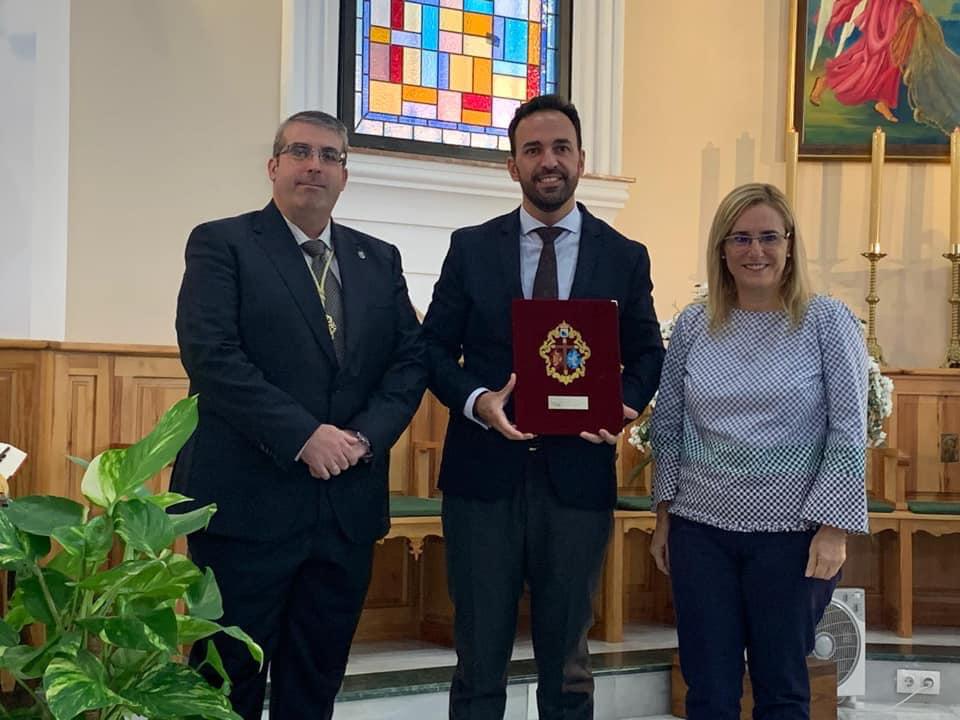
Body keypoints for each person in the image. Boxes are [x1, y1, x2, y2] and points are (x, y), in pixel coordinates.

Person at [172, 110, 427, 720]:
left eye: (330, 156)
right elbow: (212, 356)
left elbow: (410, 362)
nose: (315, 166)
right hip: (246, 506)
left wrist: (363, 439)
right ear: (273, 166)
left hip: (344, 508)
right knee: (223, 682)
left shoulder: (378, 258)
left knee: (315, 681)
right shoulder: (223, 242)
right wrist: (303, 437)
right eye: (300, 152)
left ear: (345, 174)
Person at [421, 94, 664, 720]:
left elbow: (646, 355)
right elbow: (431, 349)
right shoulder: (471, 248)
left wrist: (623, 406)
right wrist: (477, 402)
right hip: (482, 481)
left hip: (576, 482)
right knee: (478, 661)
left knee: (569, 664)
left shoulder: (624, 255)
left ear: (582, 159)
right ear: (513, 166)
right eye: (532, 150)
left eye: (560, 148)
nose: (548, 161)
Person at [649, 183, 868, 720]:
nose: (756, 251)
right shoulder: (695, 326)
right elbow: (669, 424)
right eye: (741, 238)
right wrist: (663, 518)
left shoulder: (826, 321)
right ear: (722, 249)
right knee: (709, 691)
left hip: (793, 539)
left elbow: (847, 426)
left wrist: (834, 527)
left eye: (769, 237)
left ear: (790, 244)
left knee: (783, 688)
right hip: (701, 534)